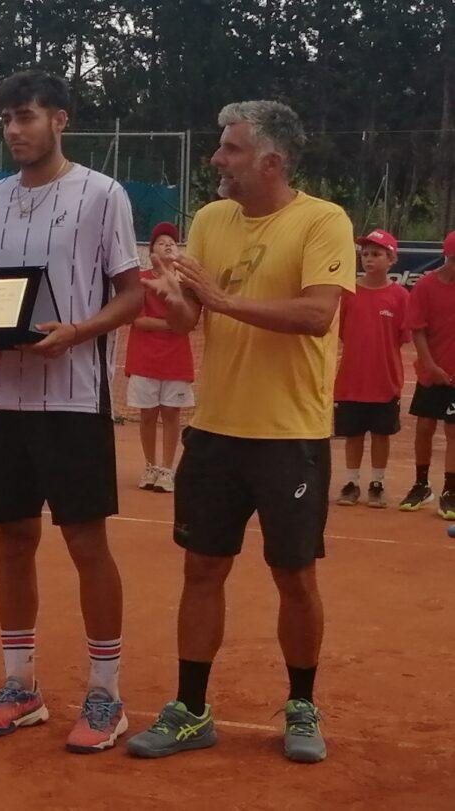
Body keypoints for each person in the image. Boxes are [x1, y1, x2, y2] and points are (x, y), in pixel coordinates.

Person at [126, 100, 355, 764]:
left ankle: (302, 704)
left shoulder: (323, 221)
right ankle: (192, 710)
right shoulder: (213, 219)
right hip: (216, 428)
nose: (217, 159)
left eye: (229, 149)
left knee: (294, 574)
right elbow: (189, 319)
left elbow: (317, 314)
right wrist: (173, 300)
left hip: (290, 433)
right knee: (202, 567)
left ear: (270, 161)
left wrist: (222, 302)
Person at [0, 70, 143, 754]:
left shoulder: (102, 194)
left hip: (72, 394)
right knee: (12, 540)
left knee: (86, 543)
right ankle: (20, 685)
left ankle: (106, 694)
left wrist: (80, 331)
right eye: (6, 117)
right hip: (1, 394)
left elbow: (133, 294)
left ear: (59, 119)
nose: (14, 129)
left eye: (27, 116)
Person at [334, 229, 409, 508]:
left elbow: (403, 336)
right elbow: (341, 332)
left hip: (385, 380)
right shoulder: (348, 293)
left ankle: (377, 483)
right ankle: (351, 481)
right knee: (352, 435)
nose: (369, 259)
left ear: (391, 259)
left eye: (376, 254)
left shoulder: (400, 296)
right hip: (351, 381)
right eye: (365, 254)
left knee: (381, 435)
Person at [124, 221, 195, 493]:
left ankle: (167, 469)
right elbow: (138, 321)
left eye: (173, 242)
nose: (168, 244)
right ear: (151, 249)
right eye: (162, 241)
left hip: (176, 360)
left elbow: (191, 321)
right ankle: (150, 466)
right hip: (144, 358)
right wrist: (173, 324)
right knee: (147, 415)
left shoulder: (184, 283)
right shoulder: (141, 279)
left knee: (171, 414)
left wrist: (174, 322)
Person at [398, 230, 455, 518]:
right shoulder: (426, 286)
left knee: (454, 431)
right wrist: (430, 365)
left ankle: (451, 490)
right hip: (431, 371)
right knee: (424, 428)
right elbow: (417, 329)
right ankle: (421, 485)